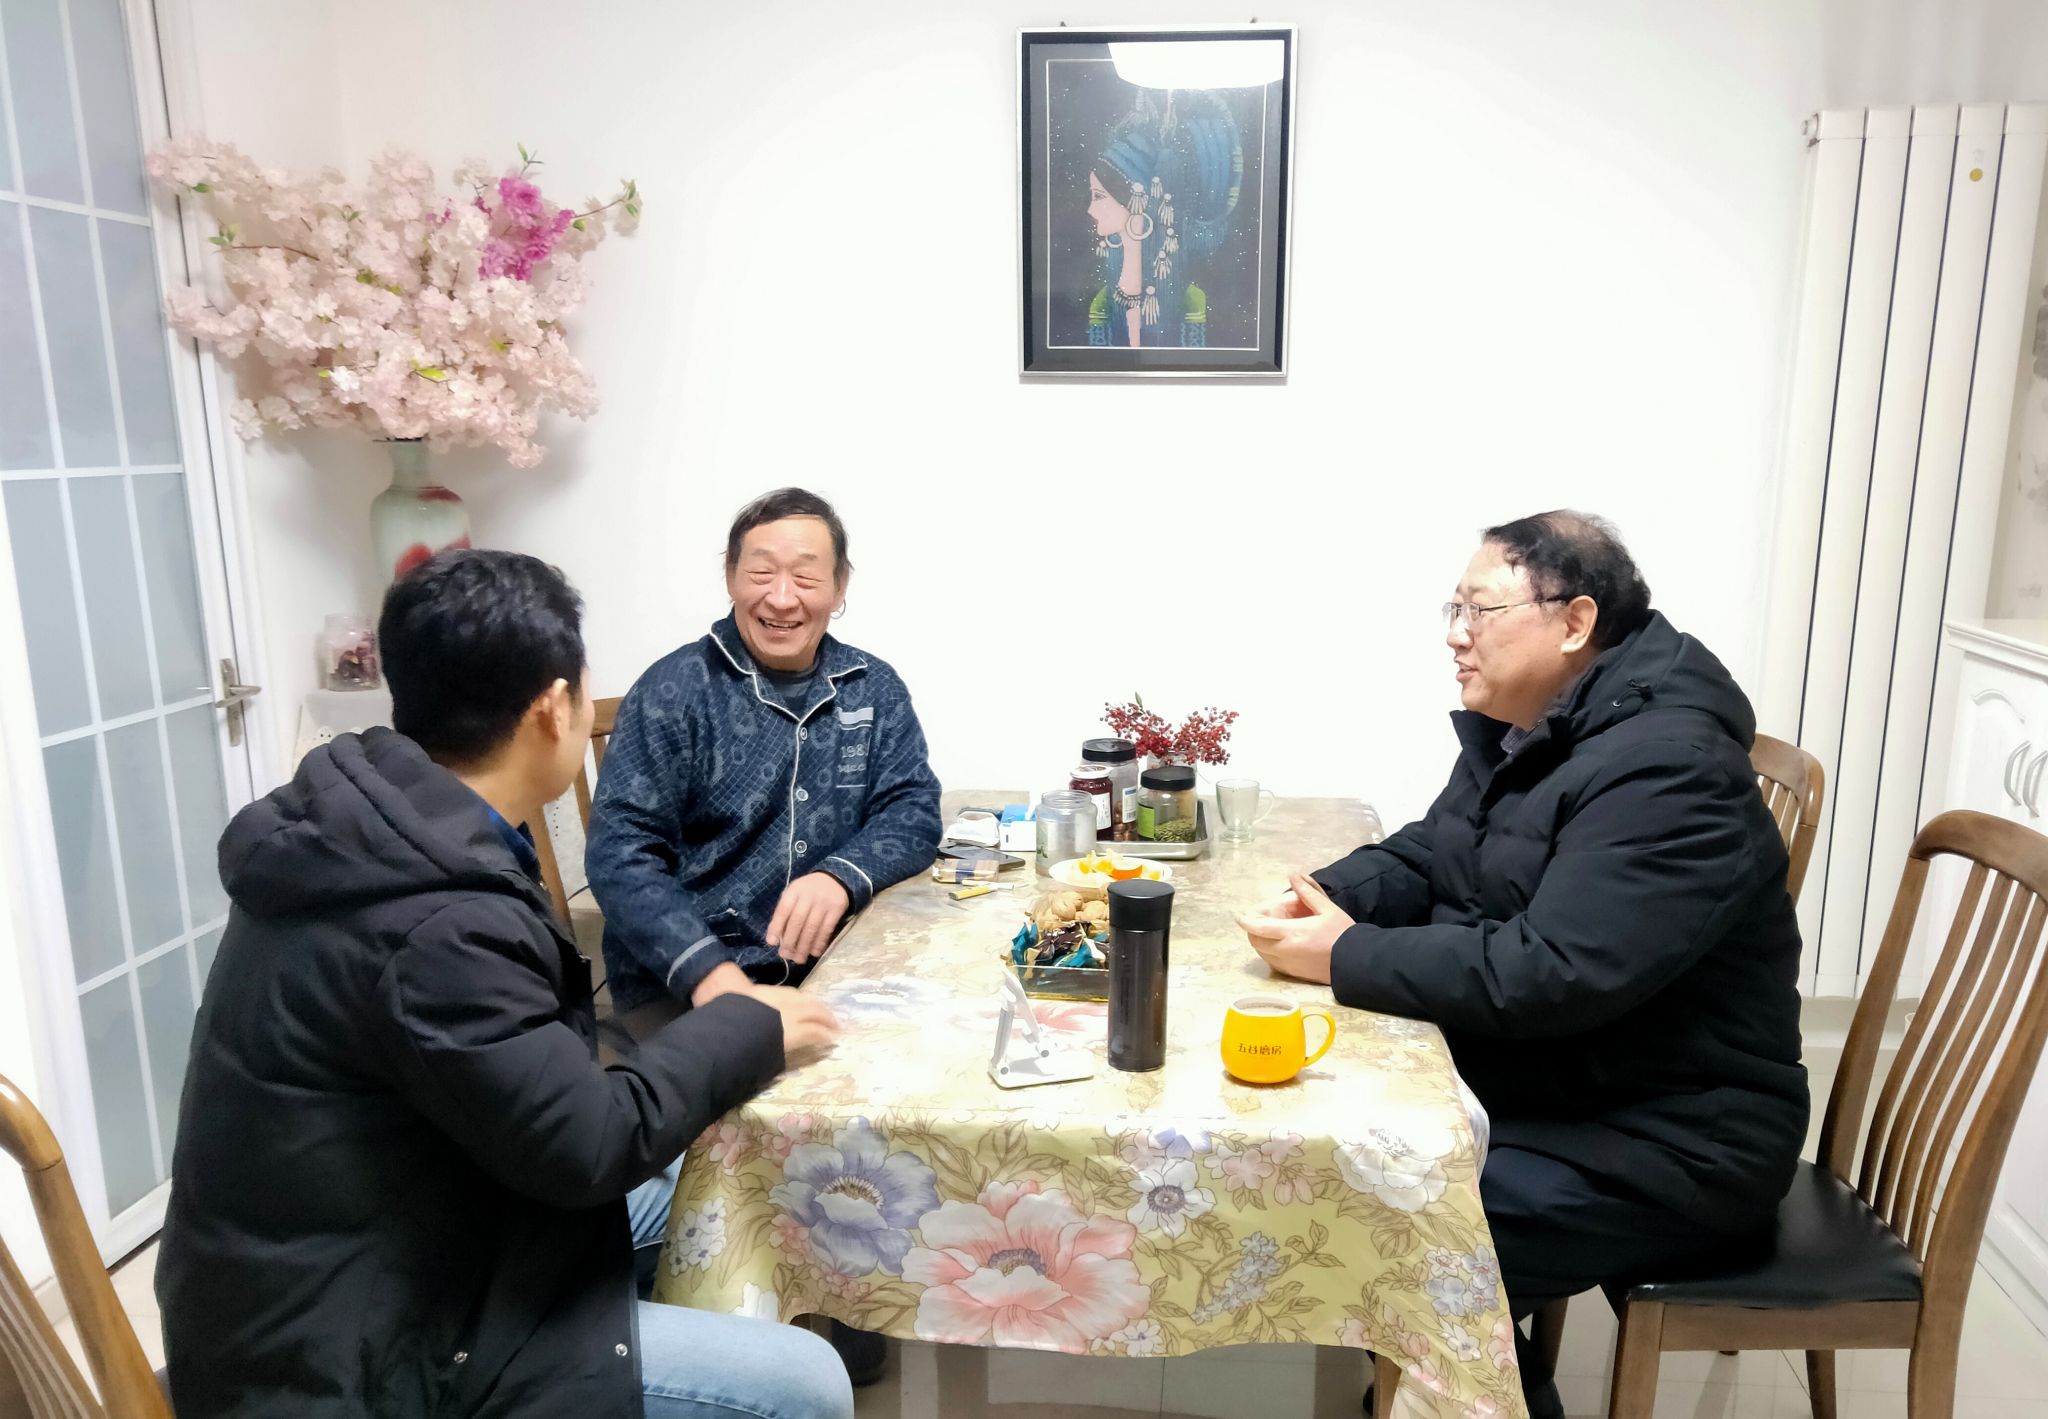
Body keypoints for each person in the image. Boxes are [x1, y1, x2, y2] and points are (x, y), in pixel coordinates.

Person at [157, 549, 850, 1419]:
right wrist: (748, 1024)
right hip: (352, 1351)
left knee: (710, 1174)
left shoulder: (376, 823)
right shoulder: (432, 918)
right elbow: (590, 1142)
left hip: (402, 1237)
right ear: (553, 707)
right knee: (805, 1384)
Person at [1236, 511, 1808, 1419]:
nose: (1456, 634)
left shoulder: (1669, 767)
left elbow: (1552, 970)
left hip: (1674, 1137)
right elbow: (1436, 849)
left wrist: (1346, 953)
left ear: (1575, 622)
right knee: (1346, 1154)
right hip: (1568, 1083)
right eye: (1453, 609)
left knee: (1390, 1216)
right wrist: (1324, 894)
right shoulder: (1542, 724)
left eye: (1481, 609)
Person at [588, 486, 942, 1029]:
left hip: (830, 970)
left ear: (840, 586)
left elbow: (911, 809)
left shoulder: (874, 687)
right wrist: (710, 975)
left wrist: (839, 877)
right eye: (760, 573)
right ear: (730, 576)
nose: (781, 598)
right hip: (686, 989)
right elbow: (620, 854)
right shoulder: (672, 691)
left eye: (805, 578)